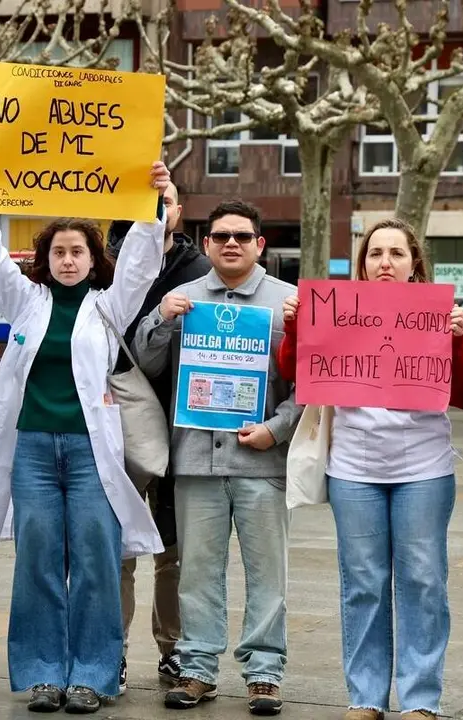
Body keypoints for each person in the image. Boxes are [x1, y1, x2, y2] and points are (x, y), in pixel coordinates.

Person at [0, 156, 169, 714]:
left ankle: (94, 675)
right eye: (59, 252)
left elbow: (144, 261)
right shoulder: (25, 301)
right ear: (45, 260)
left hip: (90, 453)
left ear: (93, 259)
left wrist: (154, 200)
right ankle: (43, 673)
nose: (69, 260)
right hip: (30, 451)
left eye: (78, 252)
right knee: (38, 560)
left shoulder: (108, 307)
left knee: (98, 560)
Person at [277, 218, 463, 720]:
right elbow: (295, 375)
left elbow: (462, 394)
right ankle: (365, 697)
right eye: (375, 254)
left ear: (415, 265)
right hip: (354, 469)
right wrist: (297, 328)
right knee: (363, 583)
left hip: (424, 470)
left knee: (424, 581)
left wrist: (456, 342)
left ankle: (420, 700)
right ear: (363, 264)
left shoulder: (440, 314)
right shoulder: (335, 311)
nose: (385, 262)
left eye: (396, 253)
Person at [131, 200, 300, 716]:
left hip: (262, 462)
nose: (232, 243)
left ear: (260, 245)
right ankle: (197, 668)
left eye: (242, 237)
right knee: (197, 571)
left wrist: (276, 430)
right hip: (195, 463)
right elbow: (143, 363)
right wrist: (160, 319)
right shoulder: (180, 298)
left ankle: (265, 673)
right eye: (221, 236)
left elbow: (312, 384)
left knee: (267, 572)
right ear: (205, 244)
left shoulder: (288, 303)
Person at [105, 183, 211, 692]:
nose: (154, 207)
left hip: (185, 426)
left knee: (175, 551)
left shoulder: (201, 272)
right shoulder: (102, 267)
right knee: (117, 547)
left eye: (164, 198)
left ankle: (174, 650)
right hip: (116, 430)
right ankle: (112, 649)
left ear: (179, 211)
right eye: (146, 197)